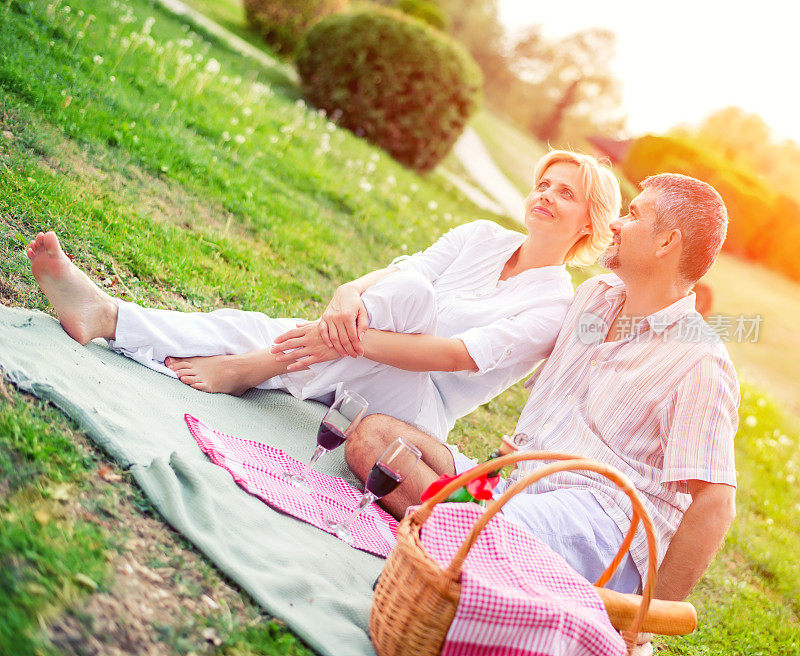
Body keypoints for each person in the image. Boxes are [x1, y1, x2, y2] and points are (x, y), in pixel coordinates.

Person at [26, 150, 620, 442]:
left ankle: (263, 366)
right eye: (544, 182)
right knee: (261, 325)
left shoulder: (552, 305)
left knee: (375, 312)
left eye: (565, 194)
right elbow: (396, 273)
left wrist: (343, 334)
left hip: (416, 406)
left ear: (588, 226)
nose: (545, 194)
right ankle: (106, 315)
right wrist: (342, 298)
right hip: (359, 349)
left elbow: (454, 357)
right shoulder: (482, 237)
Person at [345, 173, 739, 601]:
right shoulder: (594, 297)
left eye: (633, 215)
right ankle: (471, 548)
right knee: (375, 439)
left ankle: (469, 549)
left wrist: (648, 617)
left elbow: (715, 503)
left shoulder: (699, 361)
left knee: (469, 530)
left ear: (666, 243)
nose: (616, 224)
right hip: (522, 487)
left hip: (601, 524)